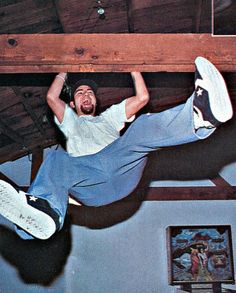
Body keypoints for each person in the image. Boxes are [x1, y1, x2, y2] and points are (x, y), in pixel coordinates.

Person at [0, 57, 233, 240]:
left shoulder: (110, 117)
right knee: (57, 158)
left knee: (140, 127)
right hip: (89, 182)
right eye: (80, 93)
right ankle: (45, 214)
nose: (86, 96)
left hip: (121, 167)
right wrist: (64, 71)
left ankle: (199, 117)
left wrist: (133, 68)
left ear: (96, 101)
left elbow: (142, 98)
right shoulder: (69, 119)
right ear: (72, 104)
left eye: (90, 92)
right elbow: (52, 97)